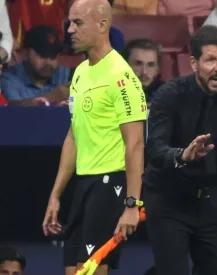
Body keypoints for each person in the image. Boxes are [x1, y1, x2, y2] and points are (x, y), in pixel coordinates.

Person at [143, 25, 217, 275]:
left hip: (211, 201)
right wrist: (182, 155)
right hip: (169, 201)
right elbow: (155, 148)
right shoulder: (169, 95)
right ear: (194, 63)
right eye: (210, 60)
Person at [41, 1, 148, 275]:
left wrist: (132, 204)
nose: (69, 30)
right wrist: (56, 195)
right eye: (69, 22)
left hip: (110, 186)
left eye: (78, 23)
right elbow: (74, 136)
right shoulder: (80, 73)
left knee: (88, 272)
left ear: (102, 25)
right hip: (83, 186)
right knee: (72, 271)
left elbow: (135, 144)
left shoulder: (122, 77)